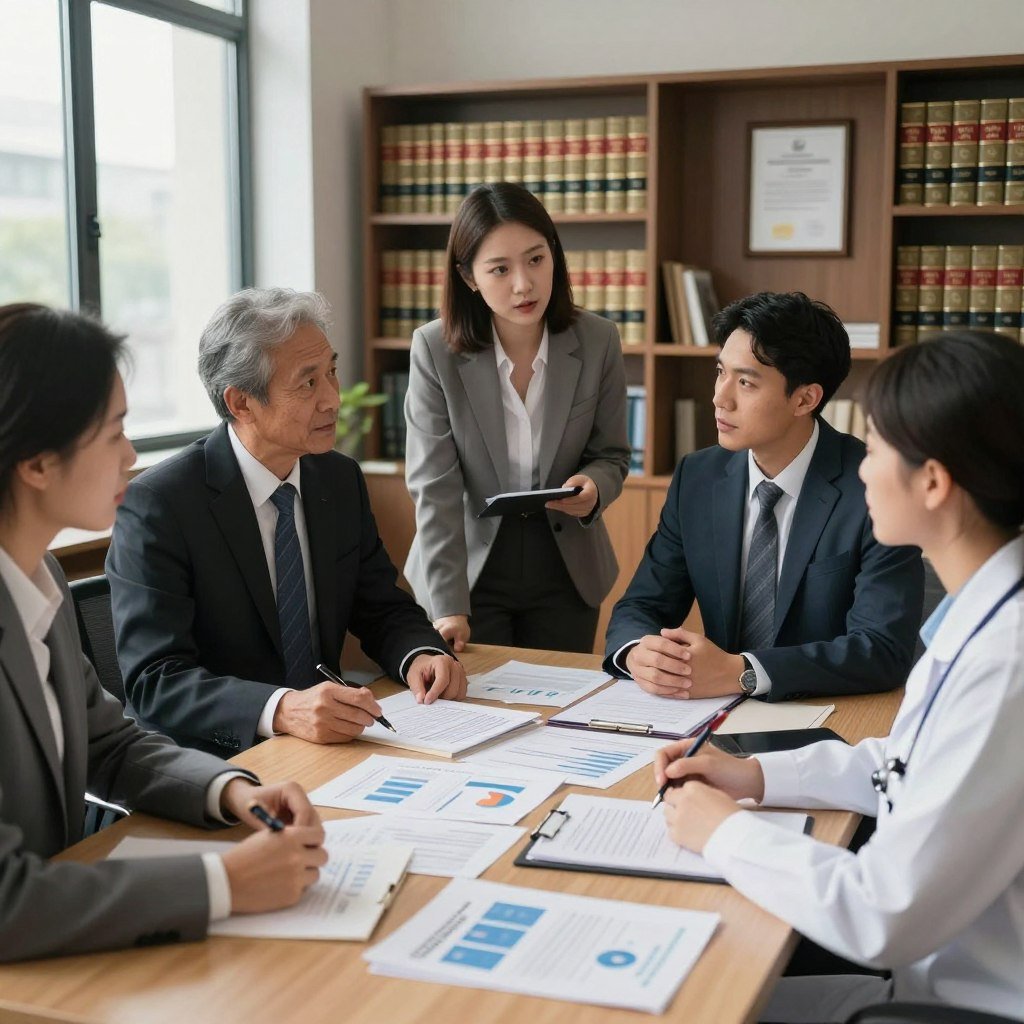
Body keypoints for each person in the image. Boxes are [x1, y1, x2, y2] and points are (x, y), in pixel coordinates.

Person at [656, 329, 1024, 1021]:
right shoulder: (986, 618)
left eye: (878, 447)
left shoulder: (1008, 664)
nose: (859, 469)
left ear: (935, 482)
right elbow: (909, 767)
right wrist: (755, 777)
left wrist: (723, 832)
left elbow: (880, 913)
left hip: (957, 1005)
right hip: (925, 985)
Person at [0, 303, 327, 961]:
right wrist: (222, 881)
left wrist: (232, 789)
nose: (130, 456)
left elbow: (111, 745)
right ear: (37, 462)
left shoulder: (41, 582)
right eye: (114, 432)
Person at [107, 288, 465, 757]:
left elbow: (380, 606)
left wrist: (421, 652)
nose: (333, 400)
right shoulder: (161, 505)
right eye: (308, 383)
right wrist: (280, 709)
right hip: (217, 761)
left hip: (328, 746)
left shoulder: (337, 478)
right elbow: (156, 680)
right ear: (240, 403)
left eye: (332, 373)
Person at [604, 291, 923, 700]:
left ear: (805, 398)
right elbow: (640, 607)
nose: (720, 397)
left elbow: (882, 650)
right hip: (710, 712)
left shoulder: (874, 488)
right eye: (720, 372)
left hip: (832, 716)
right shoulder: (698, 478)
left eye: (745, 382)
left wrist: (745, 673)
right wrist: (637, 654)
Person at [404, 182, 630, 654]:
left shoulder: (599, 340)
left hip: (567, 565)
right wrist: (448, 603)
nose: (523, 284)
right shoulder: (434, 350)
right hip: (470, 566)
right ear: (469, 276)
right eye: (500, 269)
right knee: (480, 714)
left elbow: (610, 455)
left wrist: (594, 487)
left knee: (562, 713)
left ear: (554, 255)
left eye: (535, 260)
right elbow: (435, 486)